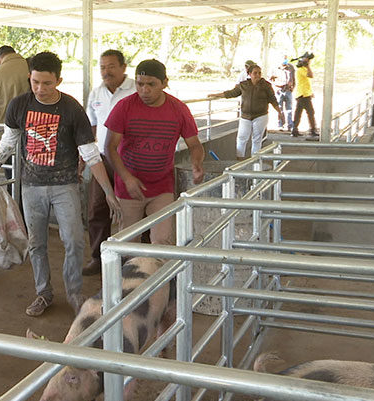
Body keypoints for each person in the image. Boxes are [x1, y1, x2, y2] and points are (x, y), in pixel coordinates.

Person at [0, 51, 121, 317]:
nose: (40, 89)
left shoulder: (71, 109)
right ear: (29, 78)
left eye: (47, 83)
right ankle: (43, 293)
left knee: (74, 241)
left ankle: (74, 292)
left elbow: (90, 152)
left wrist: (107, 190)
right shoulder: (19, 106)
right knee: (36, 243)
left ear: (58, 80)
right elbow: (9, 142)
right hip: (31, 185)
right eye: (35, 82)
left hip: (65, 184)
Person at [105, 59, 204, 246]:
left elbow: (194, 144)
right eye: (139, 84)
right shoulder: (124, 107)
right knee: (127, 242)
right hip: (129, 187)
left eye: (151, 84)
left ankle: (161, 275)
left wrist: (196, 163)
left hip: (162, 187)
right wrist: (127, 178)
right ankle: (127, 275)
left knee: (162, 240)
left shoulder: (179, 109)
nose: (144, 90)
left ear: (164, 83)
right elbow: (109, 147)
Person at [82, 49, 136, 276]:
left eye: (111, 66)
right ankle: (98, 257)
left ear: (123, 67)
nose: (106, 71)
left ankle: (133, 260)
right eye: (102, 67)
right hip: (103, 159)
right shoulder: (96, 93)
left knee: (134, 210)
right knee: (97, 207)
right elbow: (91, 128)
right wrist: (83, 157)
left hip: (132, 160)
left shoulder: (136, 89)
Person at [208, 64, 283, 158]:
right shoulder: (243, 85)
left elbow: (273, 99)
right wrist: (216, 95)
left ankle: (255, 161)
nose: (258, 75)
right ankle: (239, 159)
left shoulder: (266, 86)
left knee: (257, 139)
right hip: (245, 116)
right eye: (255, 73)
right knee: (241, 138)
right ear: (249, 74)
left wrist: (279, 112)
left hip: (261, 116)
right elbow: (231, 93)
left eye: (259, 73)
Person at [0, 45, 29, 190]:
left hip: (8, 134)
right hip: (36, 132)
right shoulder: (31, 66)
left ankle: (15, 209)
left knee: (11, 177)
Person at [291, 54, 318, 138]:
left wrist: (311, 92)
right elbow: (311, 75)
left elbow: (306, 82)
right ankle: (312, 130)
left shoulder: (302, 70)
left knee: (298, 113)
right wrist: (308, 66)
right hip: (303, 95)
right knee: (310, 112)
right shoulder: (301, 70)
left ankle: (294, 130)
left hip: (304, 94)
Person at [269, 58, 295, 131]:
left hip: (288, 90)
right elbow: (270, 79)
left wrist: (293, 87)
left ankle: (290, 125)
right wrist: (275, 86)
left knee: (289, 109)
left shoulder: (291, 67)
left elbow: (294, 78)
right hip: (279, 90)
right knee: (279, 108)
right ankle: (280, 124)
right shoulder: (274, 68)